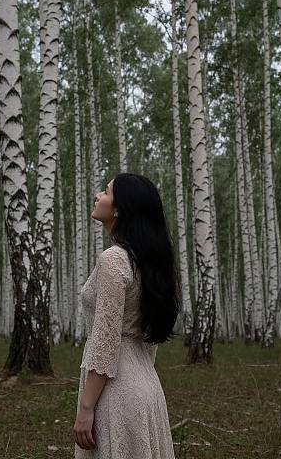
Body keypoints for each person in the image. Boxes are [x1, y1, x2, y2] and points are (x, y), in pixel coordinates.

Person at [73, 173, 181, 458]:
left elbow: (105, 340)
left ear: (119, 209)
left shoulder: (113, 259)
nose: (97, 195)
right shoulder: (145, 262)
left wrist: (86, 407)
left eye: (106, 192)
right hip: (147, 386)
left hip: (115, 393)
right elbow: (149, 338)